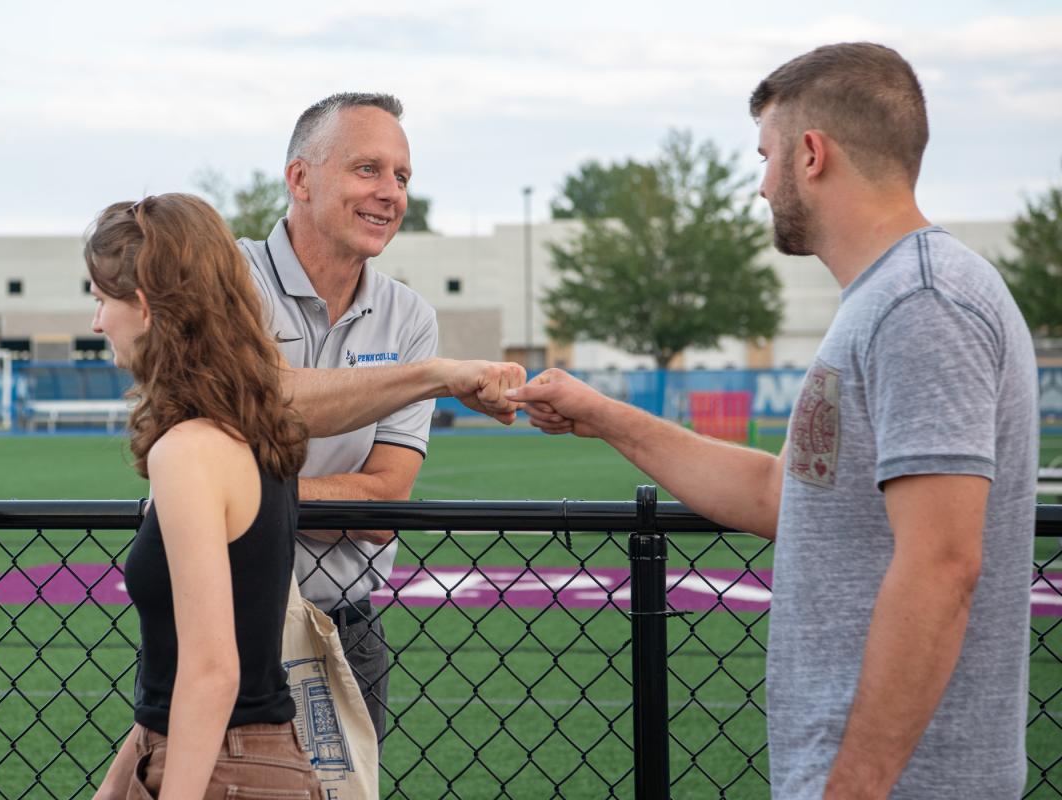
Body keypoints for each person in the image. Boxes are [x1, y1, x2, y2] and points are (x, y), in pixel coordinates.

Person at [509, 43, 1038, 799]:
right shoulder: (883, 298)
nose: (761, 185)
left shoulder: (923, 304)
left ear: (812, 154)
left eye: (767, 156)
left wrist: (852, 788)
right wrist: (601, 415)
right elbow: (780, 495)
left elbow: (942, 565)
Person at [88, 194, 525, 798]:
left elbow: (212, 675)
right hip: (237, 756)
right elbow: (169, 685)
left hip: (224, 764)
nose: (96, 321)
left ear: (141, 305)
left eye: (100, 298)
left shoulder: (189, 450)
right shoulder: (245, 436)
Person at [237, 92, 434, 750]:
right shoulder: (227, 282)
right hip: (228, 628)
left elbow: (384, 508)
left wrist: (257, 499)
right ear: (299, 178)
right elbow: (208, 480)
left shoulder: (409, 318)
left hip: (350, 631)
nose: (390, 193)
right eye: (367, 169)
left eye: (401, 176)